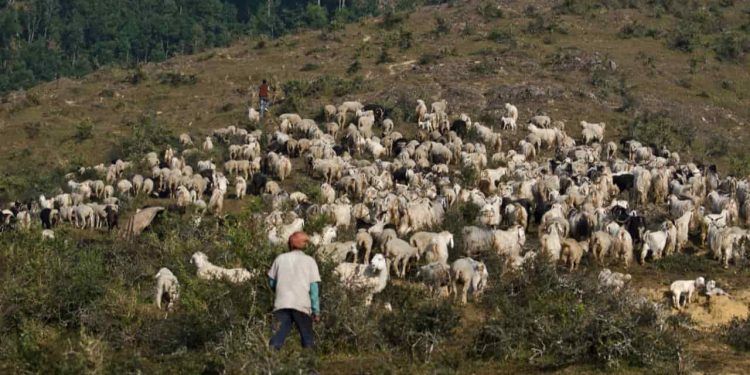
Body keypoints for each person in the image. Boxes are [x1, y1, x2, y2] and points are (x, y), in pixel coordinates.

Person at [267, 231, 321, 350]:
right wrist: (316, 311)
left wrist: (281, 288)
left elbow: (271, 282)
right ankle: (309, 366)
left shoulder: (280, 259)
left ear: (290, 244)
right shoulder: (310, 261)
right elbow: (314, 289)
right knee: (307, 341)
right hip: (301, 305)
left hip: (281, 304)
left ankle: (269, 365)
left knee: (276, 340)